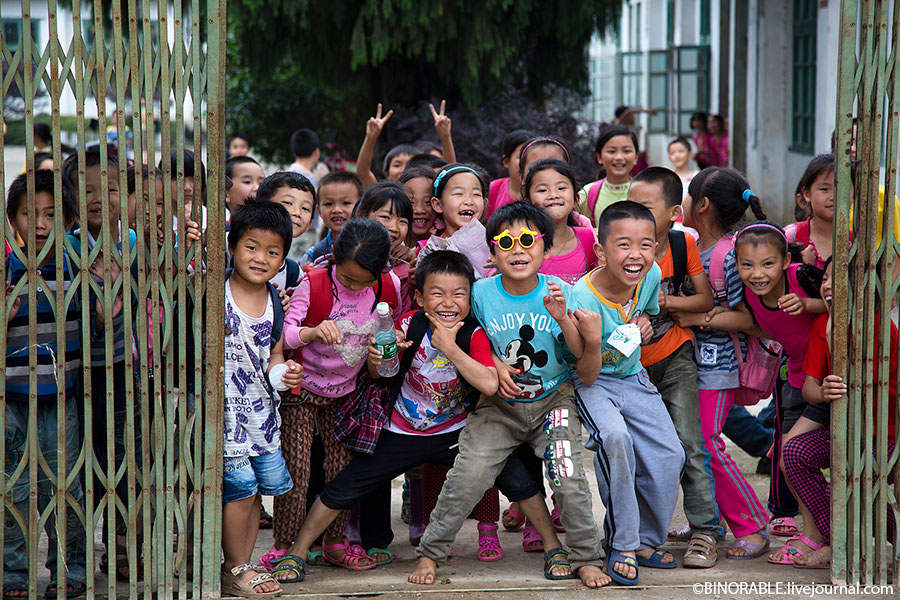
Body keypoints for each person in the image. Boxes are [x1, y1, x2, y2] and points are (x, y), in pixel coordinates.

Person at [410, 201, 610, 589]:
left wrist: (563, 317)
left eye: (527, 240)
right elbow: (471, 337)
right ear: (492, 252)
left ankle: (586, 556)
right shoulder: (481, 293)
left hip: (554, 400)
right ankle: (431, 552)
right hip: (497, 408)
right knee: (467, 476)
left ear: (546, 249)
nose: (517, 249)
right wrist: (495, 366)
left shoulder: (562, 292)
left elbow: (576, 356)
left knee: (568, 478)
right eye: (505, 241)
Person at [271, 219, 401, 578]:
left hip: (348, 395)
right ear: (334, 262)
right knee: (296, 470)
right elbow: (285, 334)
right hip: (303, 391)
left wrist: (386, 353)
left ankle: (335, 542)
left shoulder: (388, 287)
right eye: (346, 279)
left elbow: (392, 331)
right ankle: (284, 546)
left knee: (341, 472)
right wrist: (312, 332)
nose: (355, 287)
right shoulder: (314, 283)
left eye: (364, 282)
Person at [570, 201, 684, 585]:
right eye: (623, 245)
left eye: (646, 244)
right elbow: (584, 371)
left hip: (633, 377)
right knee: (615, 440)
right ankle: (621, 543)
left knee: (670, 454)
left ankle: (646, 540)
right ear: (601, 251)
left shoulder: (649, 275)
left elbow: (648, 312)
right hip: (592, 382)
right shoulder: (581, 300)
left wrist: (645, 322)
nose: (636, 255)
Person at [671, 168, 773, 561]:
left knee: (709, 446)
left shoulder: (730, 256)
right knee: (690, 445)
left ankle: (752, 524)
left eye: (685, 195)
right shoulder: (696, 249)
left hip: (720, 367)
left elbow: (752, 319)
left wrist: (697, 318)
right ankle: (708, 521)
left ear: (702, 204)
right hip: (694, 364)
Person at [627, 167, 722, 568]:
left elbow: (704, 301)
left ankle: (705, 530)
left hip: (675, 355)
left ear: (672, 214)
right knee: (635, 451)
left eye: (645, 207)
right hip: (631, 368)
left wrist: (663, 304)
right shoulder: (622, 249)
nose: (634, 213)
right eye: (629, 205)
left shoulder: (682, 246)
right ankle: (632, 533)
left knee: (690, 444)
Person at [780, 258, 897, 570]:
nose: (828, 286)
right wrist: (823, 392)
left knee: (863, 479)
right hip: (844, 432)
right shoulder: (823, 324)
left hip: (882, 436)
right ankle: (839, 539)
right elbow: (809, 387)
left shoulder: (882, 328)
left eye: (839, 279)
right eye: (826, 279)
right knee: (794, 452)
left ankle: (866, 540)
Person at [3, 170, 87, 599]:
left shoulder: (76, 265)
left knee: (65, 484)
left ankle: (70, 567)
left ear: (68, 219)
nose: (39, 224)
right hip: (11, 396)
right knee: (13, 486)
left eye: (51, 214)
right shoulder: (5, 266)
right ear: (10, 218)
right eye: (28, 214)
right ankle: (13, 570)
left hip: (61, 394)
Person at [731, 221, 827, 562]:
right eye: (747, 265)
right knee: (788, 459)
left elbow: (842, 308)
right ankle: (816, 535)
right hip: (796, 378)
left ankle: (818, 536)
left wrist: (808, 306)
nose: (757, 273)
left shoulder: (801, 278)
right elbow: (756, 324)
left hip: (826, 375)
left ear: (786, 261)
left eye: (768, 264)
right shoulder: (747, 294)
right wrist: (704, 317)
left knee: (792, 457)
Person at [221, 201, 303, 597]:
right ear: (232, 245)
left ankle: (245, 562)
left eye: (273, 252)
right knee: (238, 490)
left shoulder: (276, 301)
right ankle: (235, 566)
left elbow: (273, 355)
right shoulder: (213, 288)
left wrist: (283, 375)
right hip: (224, 415)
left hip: (261, 413)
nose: (261, 258)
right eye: (251, 246)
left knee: (254, 494)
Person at [524, 159, 598, 285]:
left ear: (576, 199)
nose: (553, 195)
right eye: (542, 190)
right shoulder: (522, 241)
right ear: (529, 201)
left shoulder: (587, 238)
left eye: (561, 188)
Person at [356, 102, 456, 188]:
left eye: (410, 164)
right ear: (387, 172)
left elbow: (449, 171)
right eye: (397, 165)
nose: (403, 170)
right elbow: (363, 172)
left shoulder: (430, 193)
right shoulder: (382, 195)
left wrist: (445, 136)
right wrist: (370, 138)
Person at [255, 172, 315, 292]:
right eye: (288, 203)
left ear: (310, 224)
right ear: (262, 205)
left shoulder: (294, 273)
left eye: (305, 208)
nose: (297, 212)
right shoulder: (232, 244)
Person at [577, 125, 639, 226]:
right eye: (611, 151)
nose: (619, 157)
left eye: (626, 151)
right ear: (599, 157)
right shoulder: (588, 193)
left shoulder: (645, 192)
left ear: (636, 157)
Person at [302, 171, 363, 267]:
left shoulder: (372, 248)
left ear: (360, 209)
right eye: (328, 204)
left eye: (346, 203)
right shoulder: (314, 256)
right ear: (319, 210)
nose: (336, 210)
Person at [784, 154, 835, 269]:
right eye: (824, 189)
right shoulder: (790, 235)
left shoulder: (856, 242)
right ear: (807, 194)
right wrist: (797, 265)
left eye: (843, 189)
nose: (833, 196)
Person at [486, 129, 534, 219]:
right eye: (521, 157)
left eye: (533, 157)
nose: (528, 163)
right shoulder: (493, 189)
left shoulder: (544, 191)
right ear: (506, 162)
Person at [399, 166, 440, 245]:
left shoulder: (443, 246)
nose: (419, 210)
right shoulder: (388, 244)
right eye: (410, 202)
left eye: (428, 202)